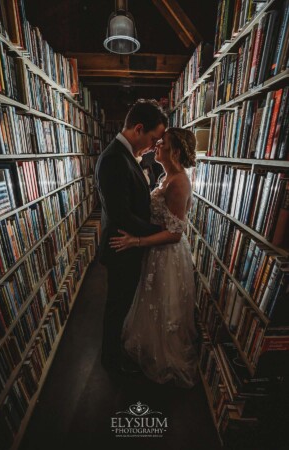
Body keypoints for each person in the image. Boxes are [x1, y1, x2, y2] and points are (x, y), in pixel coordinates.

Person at [110, 128, 198, 388]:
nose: (157, 145)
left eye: (163, 143)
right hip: (156, 252)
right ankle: (151, 349)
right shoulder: (166, 176)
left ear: (176, 151)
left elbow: (174, 233)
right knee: (152, 303)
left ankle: (165, 358)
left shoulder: (179, 182)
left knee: (165, 305)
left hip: (167, 255)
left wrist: (136, 241)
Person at [95, 99, 168, 374]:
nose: (153, 145)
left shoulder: (124, 155)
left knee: (122, 303)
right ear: (138, 128)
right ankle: (111, 360)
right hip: (121, 248)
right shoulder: (115, 158)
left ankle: (114, 352)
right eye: (153, 138)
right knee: (117, 306)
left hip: (126, 245)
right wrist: (160, 232)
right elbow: (121, 215)